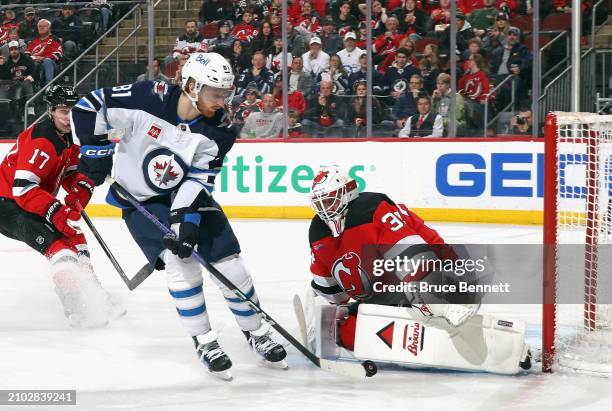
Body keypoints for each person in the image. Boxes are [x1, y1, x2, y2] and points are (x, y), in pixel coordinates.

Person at [70, 52, 287, 380]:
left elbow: (199, 178)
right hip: (142, 199)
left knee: (230, 263)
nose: (221, 102)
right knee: (180, 263)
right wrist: (93, 149)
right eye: (215, 93)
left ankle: (256, 330)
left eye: (225, 94)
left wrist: (186, 220)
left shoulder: (221, 130)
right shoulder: (148, 98)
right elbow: (88, 106)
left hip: (186, 195)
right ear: (190, 85)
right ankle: (204, 340)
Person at [305, 166, 533, 374]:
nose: (325, 209)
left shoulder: (372, 210)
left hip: (444, 273)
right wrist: (337, 311)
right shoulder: (317, 232)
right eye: (320, 203)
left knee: (431, 295)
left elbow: (413, 253)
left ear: (347, 192)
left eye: (330, 200)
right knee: (349, 331)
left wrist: (426, 292)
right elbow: (330, 287)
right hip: (389, 296)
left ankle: (452, 306)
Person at [0, 85, 123, 328]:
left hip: (30, 203)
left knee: (75, 236)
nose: (69, 117)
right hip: (8, 207)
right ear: (51, 111)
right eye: (63, 111)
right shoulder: (43, 140)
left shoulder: (69, 137)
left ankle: (93, 293)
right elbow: (23, 189)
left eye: (73, 111)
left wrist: (81, 188)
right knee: (61, 251)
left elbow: (69, 173)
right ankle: (75, 307)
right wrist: (56, 210)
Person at [0, 40, 36, 117]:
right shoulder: (7, 63)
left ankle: (30, 107)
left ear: (19, 49)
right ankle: (5, 109)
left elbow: (34, 71)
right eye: (12, 49)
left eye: (15, 49)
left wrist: (31, 76)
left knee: (27, 82)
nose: (14, 51)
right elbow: (4, 77)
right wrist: (2, 66)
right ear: (9, 51)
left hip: (25, 82)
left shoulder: (27, 59)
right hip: (13, 83)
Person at [26, 19, 63, 85]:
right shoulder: (34, 40)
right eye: (40, 26)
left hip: (51, 65)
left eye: (44, 26)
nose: (42, 28)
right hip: (35, 64)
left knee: (47, 61)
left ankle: (48, 86)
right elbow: (27, 55)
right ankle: (32, 85)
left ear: (49, 28)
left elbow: (58, 55)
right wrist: (33, 58)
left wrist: (42, 58)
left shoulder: (55, 39)